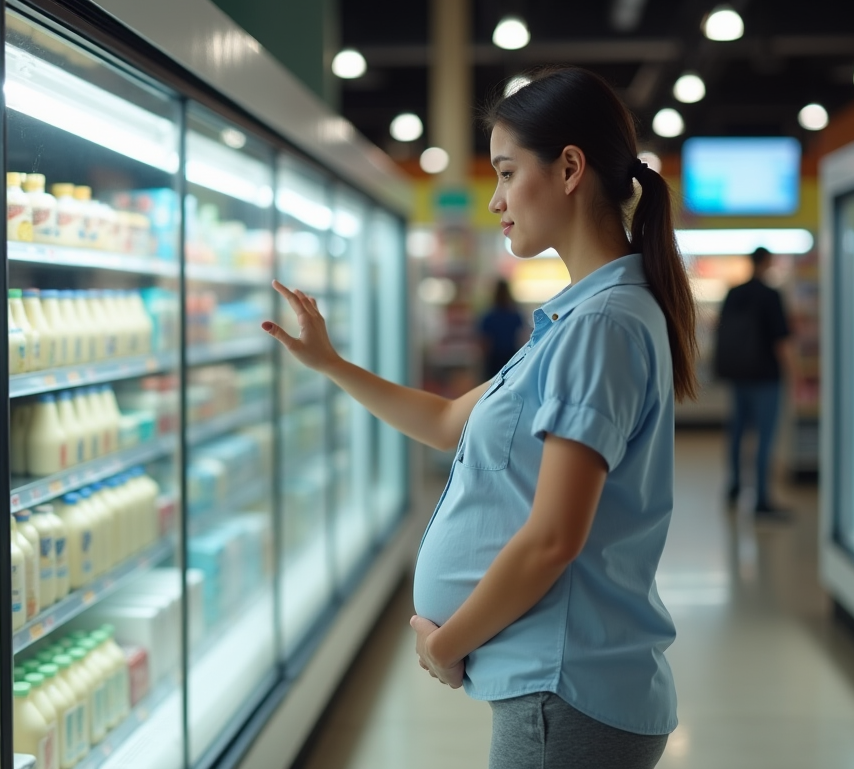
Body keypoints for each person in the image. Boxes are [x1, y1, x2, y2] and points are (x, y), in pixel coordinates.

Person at [261, 66, 695, 769]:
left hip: (565, 689)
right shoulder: (582, 317)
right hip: (563, 685)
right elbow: (445, 423)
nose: (495, 200)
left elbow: (554, 537)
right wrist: (333, 365)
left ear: (569, 170)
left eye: (504, 172)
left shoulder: (602, 324)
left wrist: (448, 641)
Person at [714, 247, 793, 518]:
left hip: (739, 374)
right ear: (767, 263)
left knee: (737, 432)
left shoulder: (733, 294)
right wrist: (792, 372)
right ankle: (761, 498)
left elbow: (720, 330)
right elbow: (780, 341)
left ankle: (735, 486)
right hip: (766, 376)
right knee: (764, 437)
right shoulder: (771, 296)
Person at [479, 278, 526, 380]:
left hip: (494, 357)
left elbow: (484, 341)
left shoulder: (489, 316)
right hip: (511, 355)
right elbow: (522, 336)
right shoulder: (515, 315)